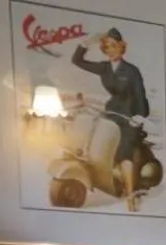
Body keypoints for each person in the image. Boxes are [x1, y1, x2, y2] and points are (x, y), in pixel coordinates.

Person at [70, 28, 149, 212]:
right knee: (95, 136)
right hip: (112, 112)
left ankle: (130, 195)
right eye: (107, 47)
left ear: (121, 47)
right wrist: (87, 43)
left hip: (129, 117)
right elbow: (77, 61)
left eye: (114, 46)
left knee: (123, 153)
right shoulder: (104, 68)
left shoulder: (131, 70)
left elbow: (140, 95)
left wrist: (139, 116)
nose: (110, 50)